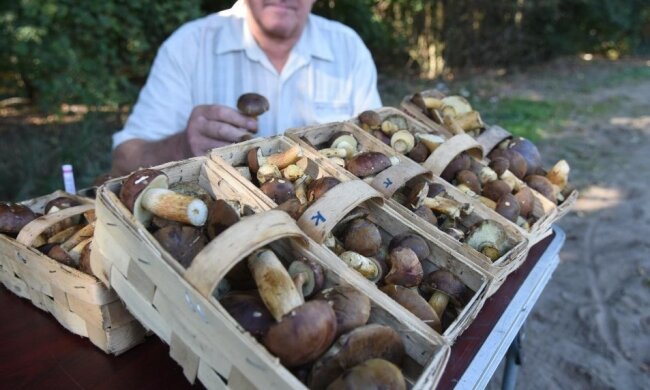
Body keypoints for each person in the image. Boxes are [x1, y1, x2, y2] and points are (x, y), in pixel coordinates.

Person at [110, 0, 382, 176]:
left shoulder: (348, 49)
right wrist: (181, 147)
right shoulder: (189, 46)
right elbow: (124, 161)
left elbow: (377, 145)